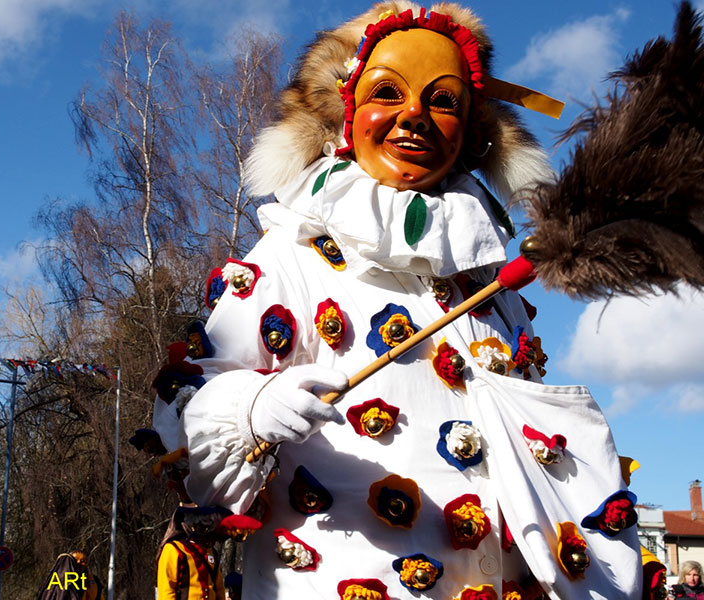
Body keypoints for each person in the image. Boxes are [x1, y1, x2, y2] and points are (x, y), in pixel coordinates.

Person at [154, 3, 642, 598]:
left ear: (472, 129)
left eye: (443, 101)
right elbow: (186, 436)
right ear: (348, 107)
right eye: (389, 92)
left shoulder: (488, 280)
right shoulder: (291, 253)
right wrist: (249, 409)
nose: (414, 116)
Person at [156, 505, 228, 600]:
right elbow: (167, 591)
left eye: (209, 527)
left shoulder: (211, 552)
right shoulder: (173, 549)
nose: (206, 531)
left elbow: (219, 590)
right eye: (201, 527)